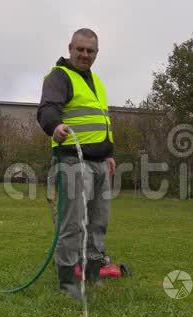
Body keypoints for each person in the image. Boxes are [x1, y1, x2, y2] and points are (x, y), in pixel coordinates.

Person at [37, 28, 116, 300]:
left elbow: (102, 121)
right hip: (72, 160)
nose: (84, 54)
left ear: (96, 53)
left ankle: (93, 271)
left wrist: (109, 153)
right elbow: (47, 108)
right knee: (73, 222)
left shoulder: (97, 82)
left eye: (90, 50)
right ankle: (68, 280)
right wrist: (54, 125)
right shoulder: (60, 76)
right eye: (80, 49)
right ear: (70, 48)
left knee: (98, 221)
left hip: (99, 163)